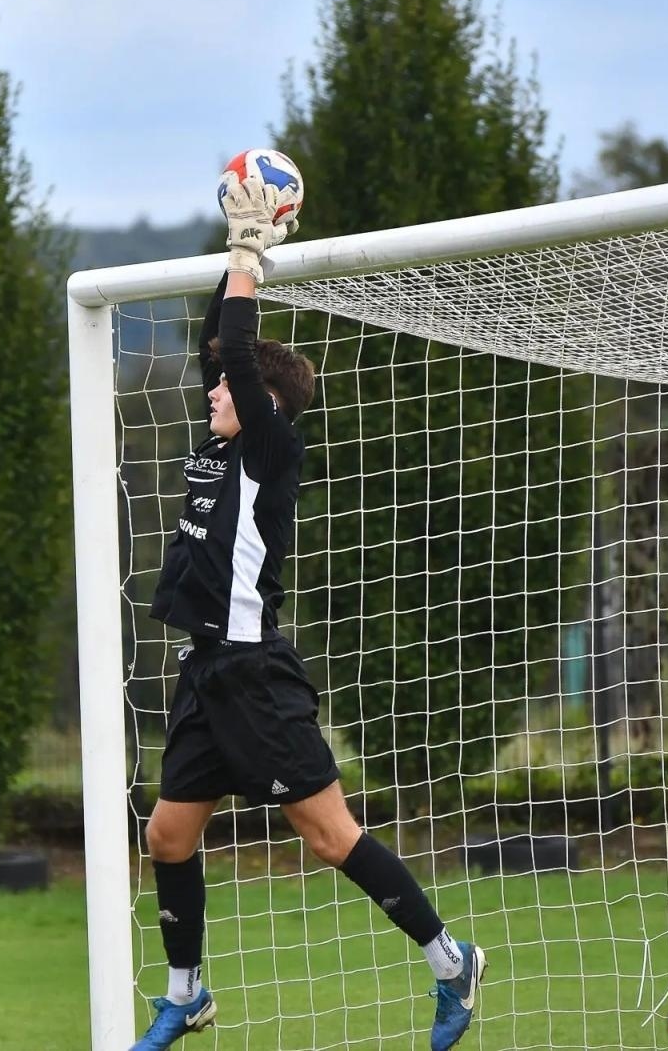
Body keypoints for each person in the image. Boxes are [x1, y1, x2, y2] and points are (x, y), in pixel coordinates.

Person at [130, 170, 486, 1051]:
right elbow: (222, 344)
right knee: (167, 837)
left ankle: (451, 962)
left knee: (330, 840)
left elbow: (235, 353)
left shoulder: (269, 447)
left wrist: (250, 252)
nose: (212, 391)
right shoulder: (218, 445)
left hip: (257, 677)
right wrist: (236, 265)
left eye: (227, 387)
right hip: (205, 673)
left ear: (263, 406)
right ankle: (186, 995)